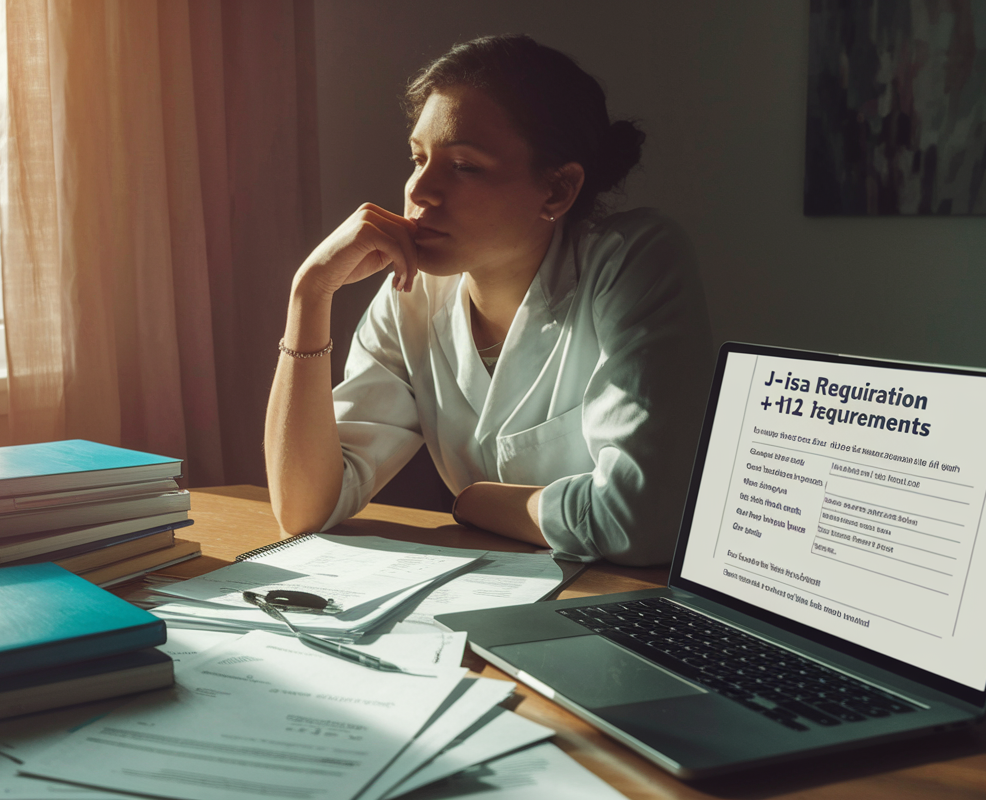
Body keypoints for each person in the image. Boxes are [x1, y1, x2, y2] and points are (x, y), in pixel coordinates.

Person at [264, 34, 712, 565]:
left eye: (464, 166)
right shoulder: (413, 293)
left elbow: (643, 522)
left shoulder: (631, 260)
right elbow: (304, 508)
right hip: (485, 599)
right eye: (418, 158)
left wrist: (477, 502)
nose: (419, 191)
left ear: (557, 191)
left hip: (620, 609)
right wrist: (310, 294)